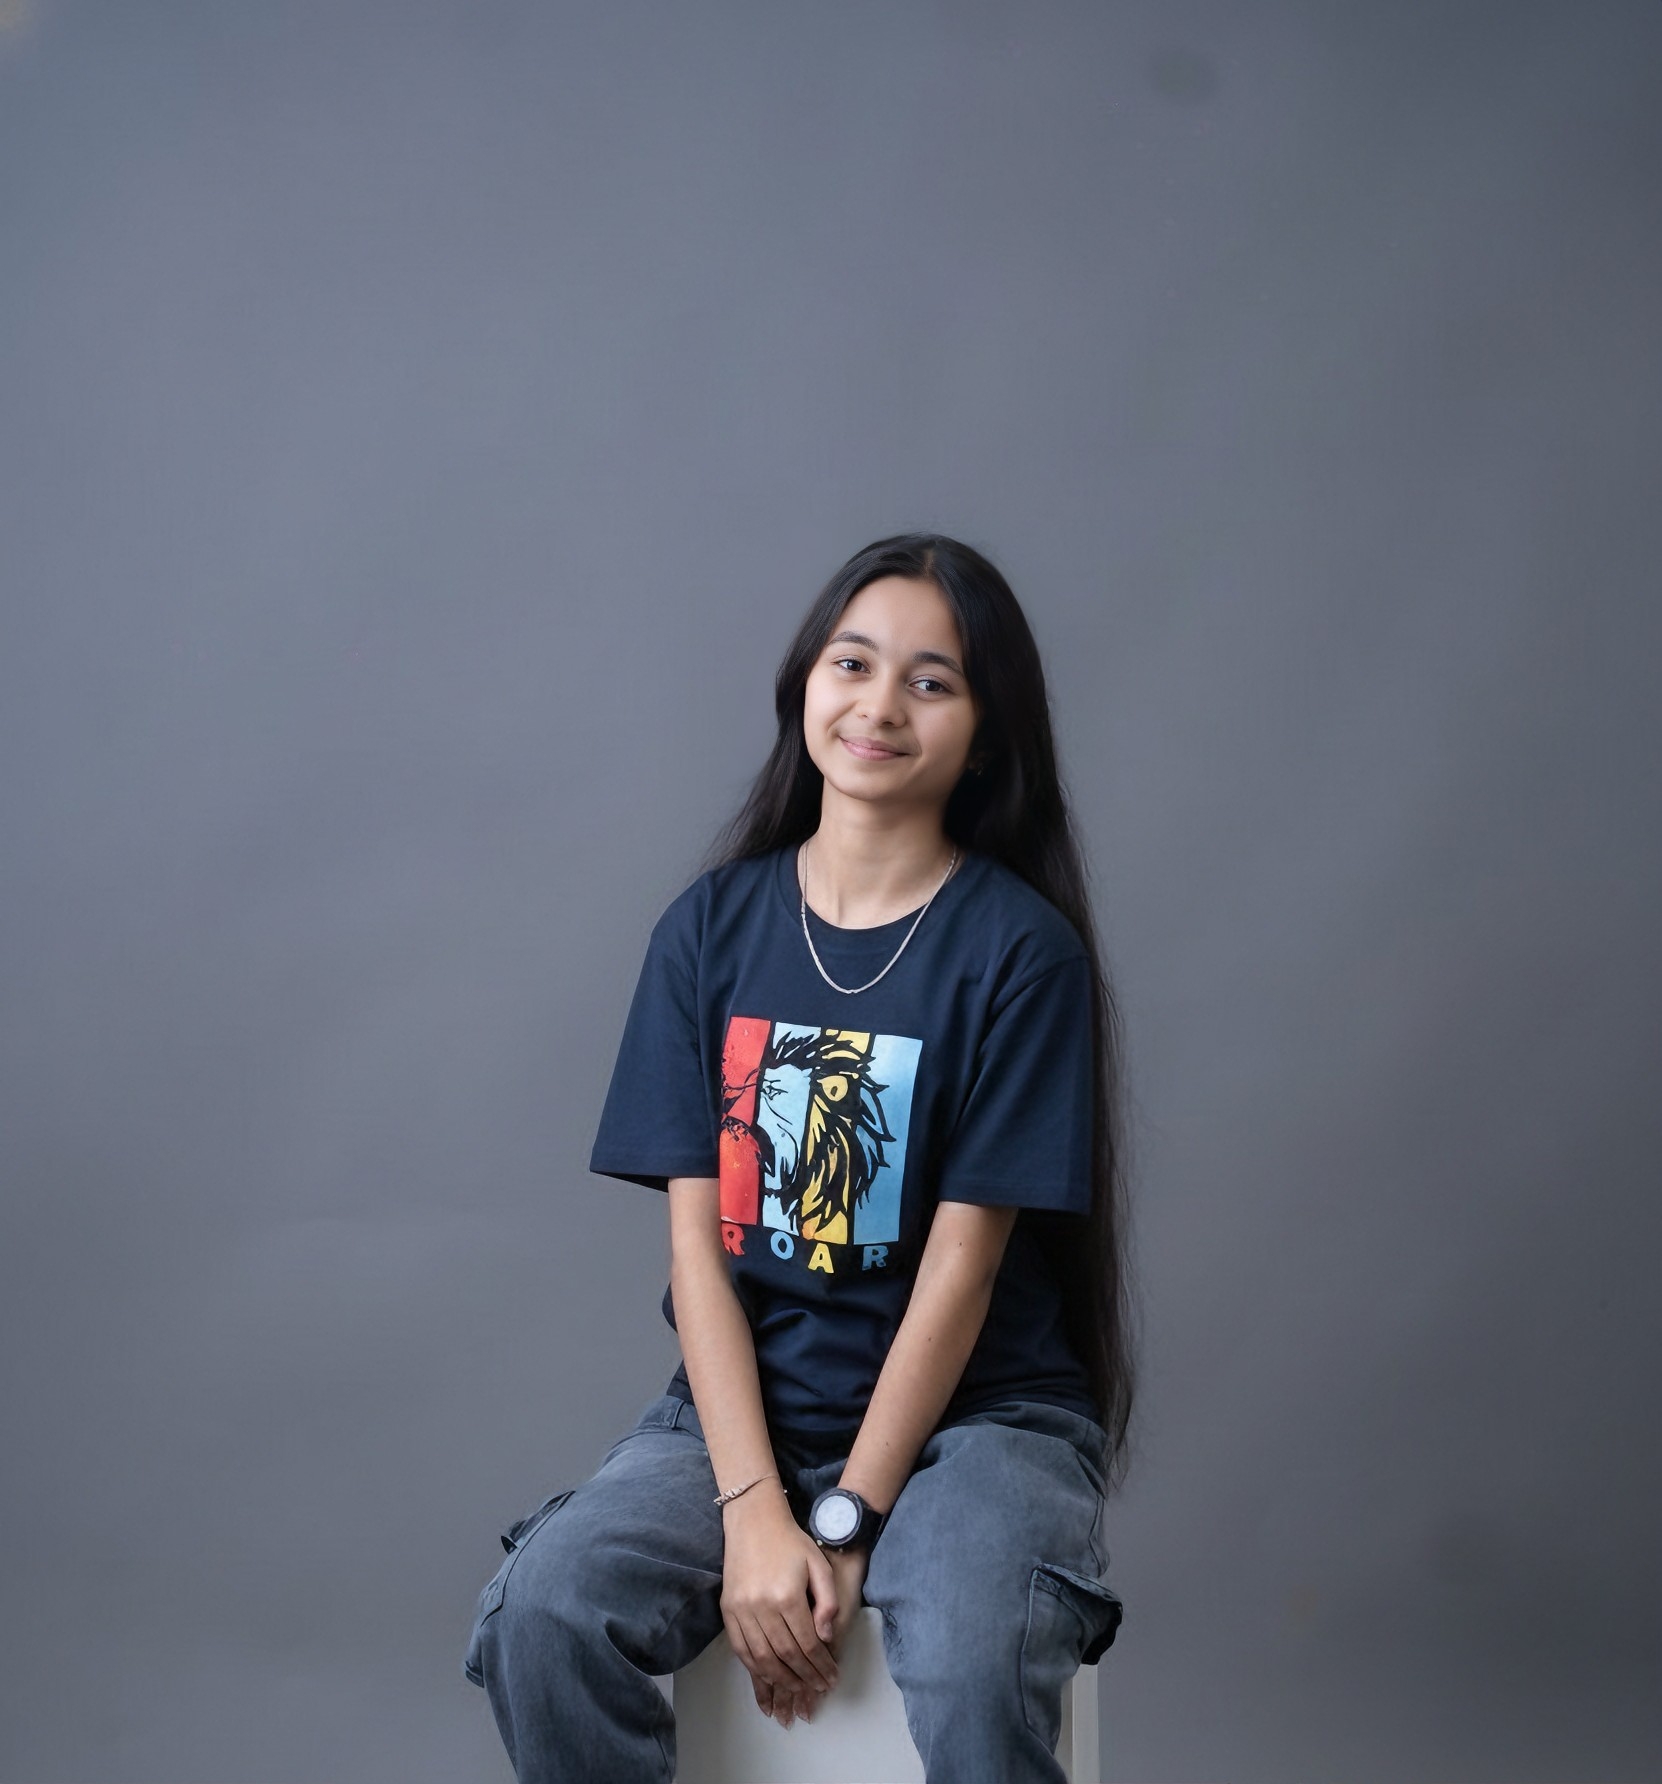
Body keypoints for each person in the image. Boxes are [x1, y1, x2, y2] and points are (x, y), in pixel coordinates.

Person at [462, 533, 1135, 1783]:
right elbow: (698, 1254)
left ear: (987, 733)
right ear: (804, 682)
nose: (881, 705)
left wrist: (846, 1517)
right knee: (544, 1611)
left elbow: (960, 1273)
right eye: (853, 662)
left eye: (931, 681)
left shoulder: (1018, 953)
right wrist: (754, 1507)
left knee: (976, 1662)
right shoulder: (707, 931)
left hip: (979, 1421)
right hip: (746, 1415)